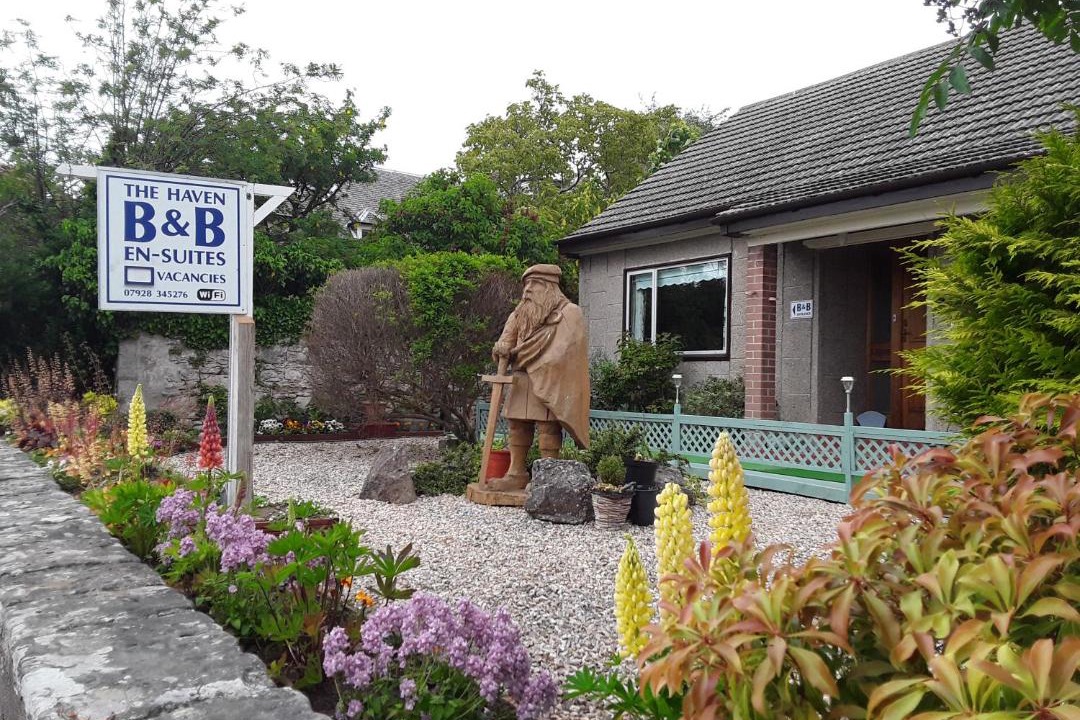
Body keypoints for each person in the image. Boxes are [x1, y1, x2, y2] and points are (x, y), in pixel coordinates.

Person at [486, 264, 589, 491]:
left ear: (550, 287)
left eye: (535, 284)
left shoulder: (570, 313)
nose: (528, 290)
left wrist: (529, 356)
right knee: (516, 426)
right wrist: (501, 348)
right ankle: (516, 473)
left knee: (548, 427)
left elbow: (567, 350)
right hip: (521, 379)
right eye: (526, 284)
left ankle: (546, 476)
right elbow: (505, 342)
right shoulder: (519, 313)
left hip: (551, 381)